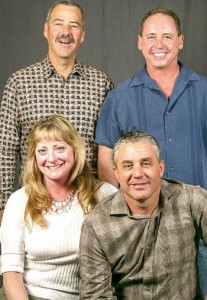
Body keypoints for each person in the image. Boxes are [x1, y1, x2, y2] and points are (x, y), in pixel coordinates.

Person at [95, 7, 207, 295]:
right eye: (152, 36)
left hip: (201, 230)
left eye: (167, 36)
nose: (160, 44)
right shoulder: (119, 97)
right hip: (141, 230)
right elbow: (107, 160)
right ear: (139, 42)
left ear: (180, 41)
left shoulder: (204, 91)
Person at [0, 0, 113, 218]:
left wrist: (107, 204)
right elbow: (4, 148)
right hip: (34, 204)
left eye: (74, 25)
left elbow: (107, 150)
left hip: (87, 205)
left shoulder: (101, 84)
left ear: (83, 34)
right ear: (46, 29)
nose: (66, 32)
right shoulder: (19, 83)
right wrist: (2, 204)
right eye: (58, 24)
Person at [0, 115, 117, 300]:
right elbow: (11, 274)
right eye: (42, 151)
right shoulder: (19, 201)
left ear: (75, 151)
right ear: (34, 157)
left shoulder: (104, 195)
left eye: (60, 148)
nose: (52, 158)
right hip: (28, 295)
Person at [80, 131, 207, 300]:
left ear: (160, 168)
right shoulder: (96, 225)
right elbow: (95, 296)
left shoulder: (191, 200)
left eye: (146, 163)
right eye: (127, 166)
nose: (138, 173)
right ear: (116, 173)